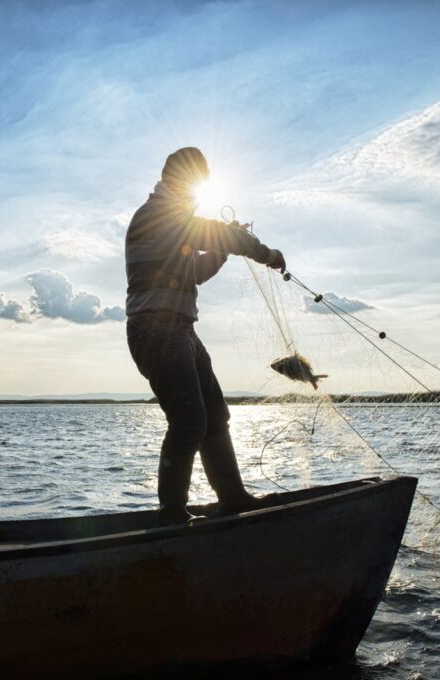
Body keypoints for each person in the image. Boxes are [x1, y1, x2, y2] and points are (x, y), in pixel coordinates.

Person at [125, 147, 286, 524]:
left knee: (215, 415)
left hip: (180, 328)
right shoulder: (156, 216)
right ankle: (170, 515)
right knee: (188, 422)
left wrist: (226, 248)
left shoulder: (173, 220)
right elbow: (213, 234)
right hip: (156, 330)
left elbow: (195, 270)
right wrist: (267, 253)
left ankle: (232, 498)